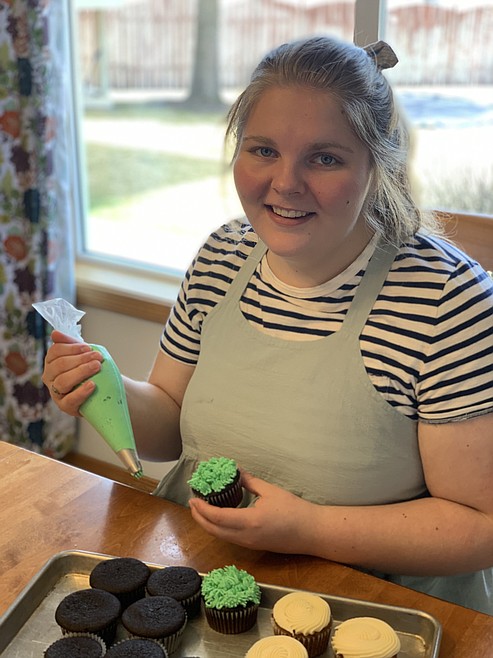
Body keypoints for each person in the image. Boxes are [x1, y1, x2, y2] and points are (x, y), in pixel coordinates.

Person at [43, 35, 493, 614]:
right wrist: (103, 386)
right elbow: (169, 426)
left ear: (377, 167)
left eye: (324, 158)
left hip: (372, 606)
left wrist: (309, 529)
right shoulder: (222, 256)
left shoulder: (445, 299)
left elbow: (479, 524)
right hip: (204, 574)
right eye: (263, 150)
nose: (285, 183)